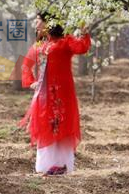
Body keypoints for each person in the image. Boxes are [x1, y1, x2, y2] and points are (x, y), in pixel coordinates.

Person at [20, 12, 91, 175]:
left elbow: (81, 47)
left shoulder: (66, 41)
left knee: (62, 124)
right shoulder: (39, 45)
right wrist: (32, 82)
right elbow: (26, 64)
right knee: (47, 125)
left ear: (49, 23)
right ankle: (46, 165)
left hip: (63, 92)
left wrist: (84, 32)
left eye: (38, 21)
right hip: (44, 94)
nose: (36, 25)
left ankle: (62, 165)